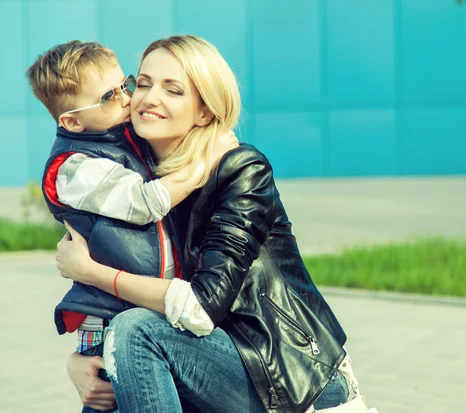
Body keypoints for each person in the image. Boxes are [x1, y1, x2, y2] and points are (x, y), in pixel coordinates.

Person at [57, 35, 376, 413]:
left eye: (173, 90)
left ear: (205, 111)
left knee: (135, 331)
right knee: (109, 384)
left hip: (287, 378)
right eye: (143, 83)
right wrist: (78, 362)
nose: (149, 98)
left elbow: (201, 308)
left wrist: (94, 272)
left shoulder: (242, 171)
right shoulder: (129, 181)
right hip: (203, 360)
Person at [26, 40, 236, 412]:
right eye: (109, 96)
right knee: (113, 397)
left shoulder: (124, 139)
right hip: (111, 314)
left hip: (146, 308)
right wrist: (207, 161)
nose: (127, 99)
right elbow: (143, 203)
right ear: (72, 121)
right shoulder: (74, 167)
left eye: (125, 84)